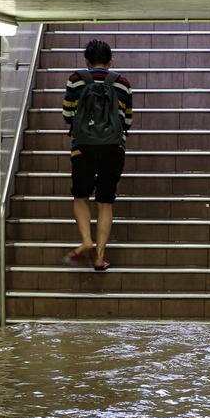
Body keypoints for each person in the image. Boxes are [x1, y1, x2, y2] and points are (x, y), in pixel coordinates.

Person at [60, 39, 133, 271]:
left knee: (81, 196)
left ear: (86, 61)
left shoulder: (75, 80)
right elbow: (127, 119)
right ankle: (100, 257)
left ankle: (86, 240)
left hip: (83, 147)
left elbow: (67, 113)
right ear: (111, 60)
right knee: (105, 202)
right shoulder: (122, 83)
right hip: (113, 148)